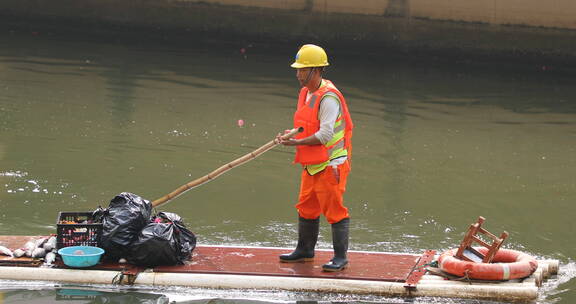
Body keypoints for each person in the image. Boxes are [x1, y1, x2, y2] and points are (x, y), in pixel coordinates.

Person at [277, 44, 354, 272]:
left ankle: (340, 258)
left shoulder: (329, 98)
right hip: (312, 163)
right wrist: (291, 134)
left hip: (332, 163)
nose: (298, 74)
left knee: (334, 209)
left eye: (303, 70)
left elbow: (325, 134)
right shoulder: (305, 93)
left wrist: (296, 143)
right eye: (298, 69)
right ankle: (305, 251)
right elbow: (305, 125)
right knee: (306, 206)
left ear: (317, 70)